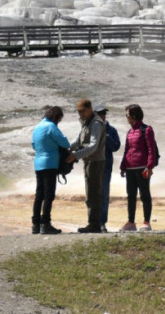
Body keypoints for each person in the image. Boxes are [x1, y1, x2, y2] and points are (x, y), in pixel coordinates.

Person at [68, 99, 106, 233]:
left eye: (82, 111)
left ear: (90, 108)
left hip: (95, 162)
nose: (80, 115)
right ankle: (93, 223)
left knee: (93, 194)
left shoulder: (96, 123)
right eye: (79, 112)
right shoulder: (86, 122)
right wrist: (67, 149)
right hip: (89, 161)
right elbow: (78, 140)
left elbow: (93, 145)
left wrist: (76, 155)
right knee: (90, 193)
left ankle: (94, 225)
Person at [31, 106, 70, 235]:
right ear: (57, 117)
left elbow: (33, 145)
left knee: (39, 195)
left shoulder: (37, 127)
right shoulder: (51, 127)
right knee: (49, 195)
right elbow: (65, 143)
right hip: (50, 163)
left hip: (38, 164)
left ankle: (35, 224)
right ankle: (45, 224)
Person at [119, 104, 157, 232]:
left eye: (127, 115)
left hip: (142, 168)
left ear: (134, 116)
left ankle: (146, 222)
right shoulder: (130, 131)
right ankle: (131, 222)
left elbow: (151, 149)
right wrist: (123, 166)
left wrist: (150, 166)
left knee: (144, 195)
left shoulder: (146, 130)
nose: (127, 118)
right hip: (130, 168)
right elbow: (127, 150)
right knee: (131, 195)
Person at [95, 104, 120, 233]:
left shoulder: (111, 130)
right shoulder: (91, 128)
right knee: (93, 195)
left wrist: (106, 135)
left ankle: (102, 223)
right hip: (93, 166)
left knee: (104, 195)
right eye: (100, 113)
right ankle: (92, 222)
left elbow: (116, 147)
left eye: (104, 113)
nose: (102, 116)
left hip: (105, 167)